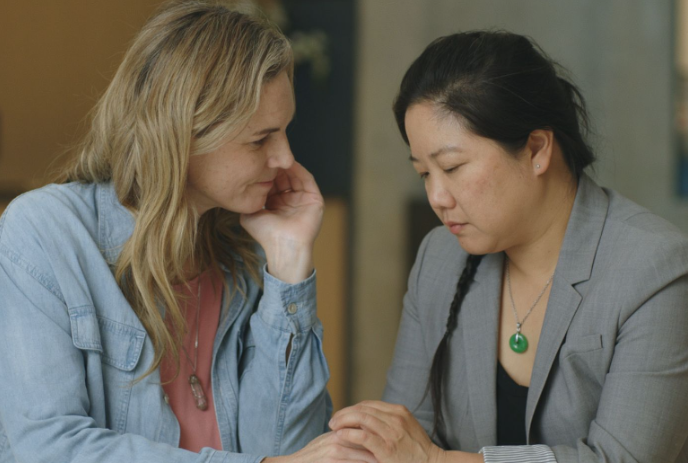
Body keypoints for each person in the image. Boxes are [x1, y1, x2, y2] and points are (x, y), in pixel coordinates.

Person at [0, 2, 373, 463]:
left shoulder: (248, 253)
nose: (285, 159)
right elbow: (49, 448)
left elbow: (292, 448)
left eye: (285, 132)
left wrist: (290, 264)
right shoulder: (43, 233)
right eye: (261, 139)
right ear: (182, 134)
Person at [328, 31, 688, 462]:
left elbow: (624, 459)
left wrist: (437, 461)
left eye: (452, 167)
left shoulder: (654, 268)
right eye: (424, 173)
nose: (437, 197)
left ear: (536, 149)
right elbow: (403, 434)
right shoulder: (440, 257)